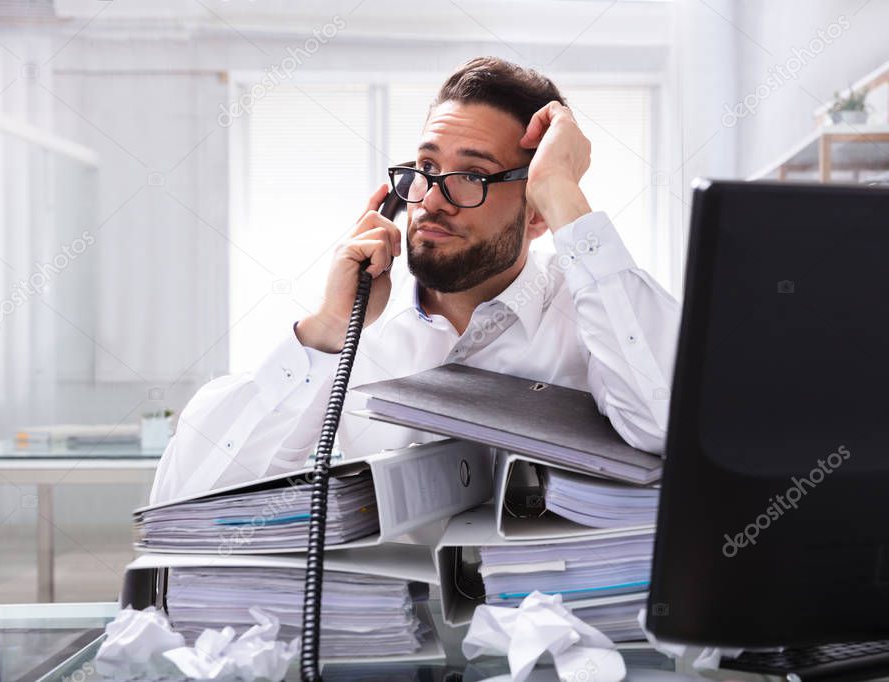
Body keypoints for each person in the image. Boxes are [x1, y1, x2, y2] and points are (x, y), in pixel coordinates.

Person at [149, 56, 680, 504]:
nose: (429, 200)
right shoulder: (351, 328)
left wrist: (564, 194)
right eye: (425, 168)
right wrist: (328, 330)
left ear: (536, 212)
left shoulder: (597, 310)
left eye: (470, 176)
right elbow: (187, 495)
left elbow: (666, 427)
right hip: (391, 620)